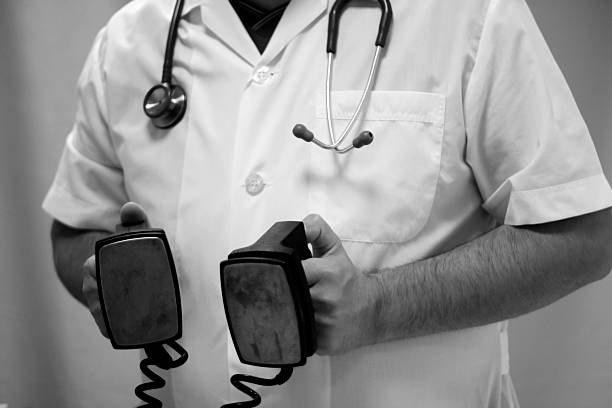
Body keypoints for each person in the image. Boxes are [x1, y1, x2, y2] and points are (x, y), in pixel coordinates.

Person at [45, 0, 612, 407]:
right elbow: (75, 230)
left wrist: (381, 306)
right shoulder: (129, 41)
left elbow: (584, 236)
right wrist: (107, 281)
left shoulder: (465, 15)